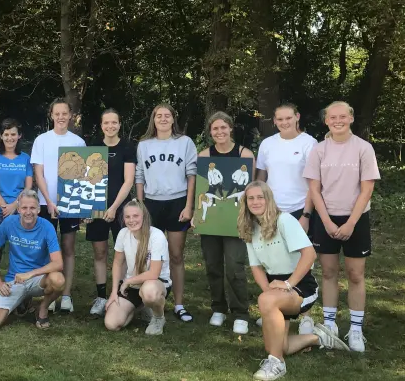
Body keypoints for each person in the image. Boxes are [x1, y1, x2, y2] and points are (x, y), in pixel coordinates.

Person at [238, 181, 350, 381]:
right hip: (276, 288)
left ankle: (277, 364)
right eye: (250, 198)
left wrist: (288, 284)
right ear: (245, 203)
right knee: (280, 345)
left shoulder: (285, 221)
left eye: (260, 197)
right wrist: (267, 292)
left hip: (301, 285)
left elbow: (309, 254)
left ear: (269, 199)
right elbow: (256, 267)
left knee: (267, 305)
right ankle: (320, 337)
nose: (255, 202)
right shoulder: (250, 228)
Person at [303, 101, 380, 352]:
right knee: (328, 273)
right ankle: (329, 324)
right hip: (326, 217)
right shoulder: (319, 150)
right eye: (332, 117)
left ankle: (356, 329)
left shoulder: (363, 148)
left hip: (355, 219)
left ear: (351, 118)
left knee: (356, 275)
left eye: (342, 116)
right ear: (326, 121)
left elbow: (367, 188)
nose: (337, 120)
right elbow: (314, 188)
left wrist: (351, 223)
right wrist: (325, 220)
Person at [255, 103, 318, 334]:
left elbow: (314, 182)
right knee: (273, 259)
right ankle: (278, 307)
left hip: (298, 209)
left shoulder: (309, 143)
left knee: (300, 261)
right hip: (270, 212)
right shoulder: (267, 144)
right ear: (274, 121)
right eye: (279, 119)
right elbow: (261, 178)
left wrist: (306, 214)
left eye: (288, 118)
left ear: (297, 117)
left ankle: (306, 314)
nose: (284, 123)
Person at [135, 103, 196, 323]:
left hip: (177, 202)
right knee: (149, 255)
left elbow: (191, 176)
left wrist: (189, 206)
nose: (162, 118)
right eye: (158, 115)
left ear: (173, 119)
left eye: (167, 115)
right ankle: (148, 301)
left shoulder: (185, 142)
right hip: (152, 202)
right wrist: (141, 205)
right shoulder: (144, 145)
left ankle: (179, 304)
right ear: (153, 119)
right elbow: (139, 176)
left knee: (176, 255)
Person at [196, 111, 254, 334]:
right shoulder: (203, 156)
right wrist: (197, 215)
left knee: (234, 267)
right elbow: (201, 188)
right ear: (210, 132)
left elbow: (252, 189)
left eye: (223, 128)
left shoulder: (244, 154)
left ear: (231, 129)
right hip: (211, 220)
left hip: (236, 220)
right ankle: (218, 308)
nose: (219, 132)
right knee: (212, 265)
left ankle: (240, 312)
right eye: (215, 129)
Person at [31, 98, 86, 313]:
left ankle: (66, 295)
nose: (61, 117)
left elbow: (82, 176)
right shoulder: (41, 140)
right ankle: (50, 292)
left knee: (69, 248)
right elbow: (39, 174)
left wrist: (81, 205)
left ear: (70, 115)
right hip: (45, 203)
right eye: (57, 113)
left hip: (71, 204)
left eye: (65, 113)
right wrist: (50, 202)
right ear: (51, 115)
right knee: (47, 250)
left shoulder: (78, 142)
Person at [0, 190, 65, 330]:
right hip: (14, 280)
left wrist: (30, 274)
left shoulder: (47, 227)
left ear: (38, 209)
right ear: (18, 209)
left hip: (38, 279)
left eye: (32, 208)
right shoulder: (9, 222)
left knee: (58, 280)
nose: (28, 212)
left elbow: (58, 263)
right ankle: (22, 302)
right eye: (24, 208)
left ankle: (42, 308)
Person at [86, 109, 136, 317]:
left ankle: (122, 294)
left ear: (119, 124)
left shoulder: (127, 147)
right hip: (96, 207)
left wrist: (114, 207)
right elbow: (86, 180)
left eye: (114, 122)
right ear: (101, 125)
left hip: (120, 209)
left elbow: (129, 180)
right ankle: (101, 296)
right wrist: (86, 207)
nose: (110, 126)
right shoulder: (93, 147)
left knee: (122, 254)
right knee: (99, 253)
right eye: (106, 123)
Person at [104, 200, 172, 335]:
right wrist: (113, 292)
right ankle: (142, 307)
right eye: (127, 217)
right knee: (111, 324)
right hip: (133, 287)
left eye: (136, 216)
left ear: (144, 217)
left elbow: (153, 273)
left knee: (149, 292)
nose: (131, 220)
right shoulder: (123, 234)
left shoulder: (157, 236)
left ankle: (158, 317)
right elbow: (117, 263)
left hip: (155, 283)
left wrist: (128, 281)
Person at [0, 118, 33, 297]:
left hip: (20, 213)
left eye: (13, 134)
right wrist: (5, 206)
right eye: (6, 134)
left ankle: (22, 296)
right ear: (1, 136)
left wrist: (15, 206)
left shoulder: (25, 158)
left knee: (21, 255)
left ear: (19, 136)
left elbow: (28, 187)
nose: (10, 138)